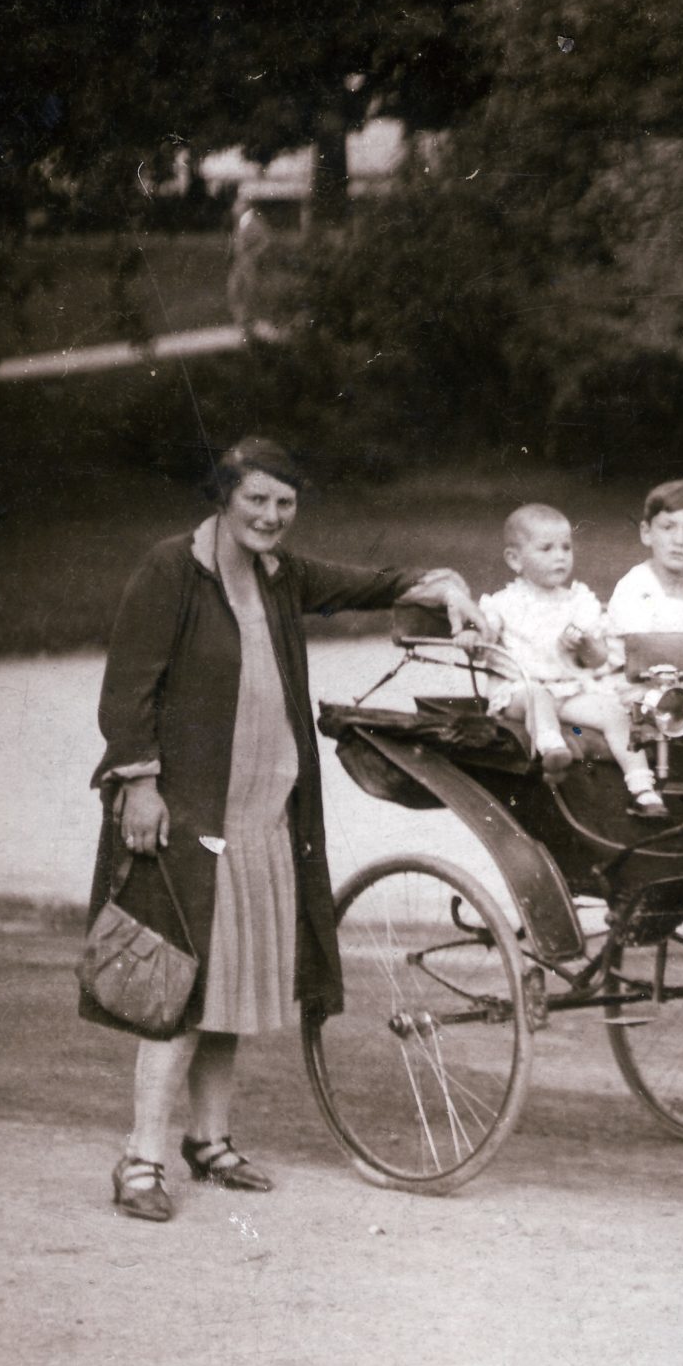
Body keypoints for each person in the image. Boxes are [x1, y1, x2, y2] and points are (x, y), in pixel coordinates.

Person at [89, 438, 478, 1223]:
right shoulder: (172, 570)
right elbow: (127, 688)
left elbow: (370, 583)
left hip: (264, 816)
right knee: (179, 989)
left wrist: (442, 581)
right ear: (224, 496)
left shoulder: (280, 573)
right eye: (257, 499)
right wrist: (139, 782)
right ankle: (140, 1157)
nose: (271, 516)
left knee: (232, 983)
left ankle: (210, 1139)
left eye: (285, 503)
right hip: (189, 817)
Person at [478, 503, 667, 819]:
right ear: (515, 559)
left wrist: (586, 644)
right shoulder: (502, 604)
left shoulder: (579, 602)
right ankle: (552, 748)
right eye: (547, 548)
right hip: (520, 689)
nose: (560, 556)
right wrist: (472, 634)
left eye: (566, 547)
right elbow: (483, 636)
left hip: (569, 689)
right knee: (538, 696)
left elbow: (598, 660)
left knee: (614, 714)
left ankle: (642, 787)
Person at [607, 479, 683, 636]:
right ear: (646, 533)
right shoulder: (634, 588)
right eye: (668, 528)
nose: (679, 540)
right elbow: (637, 647)